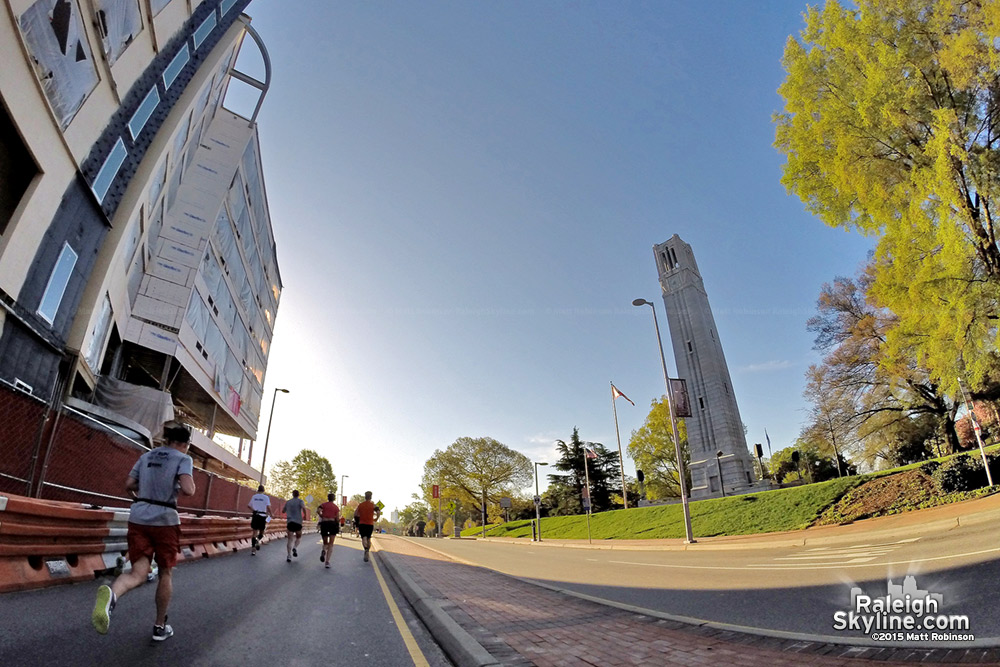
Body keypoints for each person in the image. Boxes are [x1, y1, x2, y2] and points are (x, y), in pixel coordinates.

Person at [91, 420, 196, 641]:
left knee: (137, 574)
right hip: (165, 519)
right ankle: (159, 627)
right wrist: (175, 484)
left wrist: (147, 488)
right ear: (184, 444)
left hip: (138, 517)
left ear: (167, 440)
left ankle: (112, 595)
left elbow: (129, 484)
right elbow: (188, 489)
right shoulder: (183, 458)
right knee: (165, 572)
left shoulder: (146, 456)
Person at [353, 491, 380, 562]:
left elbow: (355, 513)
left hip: (362, 523)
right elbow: (378, 512)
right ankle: (368, 550)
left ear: (365, 497)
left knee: (363, 538)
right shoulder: (373, 505)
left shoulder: (361, 505)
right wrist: (376, 518)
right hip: (370, 524)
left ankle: (366, 549)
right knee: (368, 538)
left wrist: (357, 521)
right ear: (371, 497)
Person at [316, 493, 340, 569]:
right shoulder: (336, 507)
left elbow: (318, 510)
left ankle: (323, 550)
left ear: (328, 498)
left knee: (325, 541)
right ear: (334, 499)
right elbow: (337, 518)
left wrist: (321, 515)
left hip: (325, 523)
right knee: (331, 543)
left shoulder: (323, 505)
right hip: (332, 523)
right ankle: (327, 562)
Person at [283, 490, 306, 563]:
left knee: (290, 539)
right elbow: (304, 508)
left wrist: (287, 510)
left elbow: (283, 511)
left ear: (292, 495)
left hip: (290, 522)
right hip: (298, 522)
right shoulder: (300, 501)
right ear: (298, 495)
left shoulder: (288, 502)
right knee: (299, 537)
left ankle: (289, 556)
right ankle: (295, 547)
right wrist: (304, 515)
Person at [248, 485, 272, 555]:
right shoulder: (266, 497)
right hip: (262, 516)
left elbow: (248, 505)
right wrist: (271, 514)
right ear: (263, 491)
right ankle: (257, 540)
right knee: (261, 532)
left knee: (254, 532)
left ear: (258, 490)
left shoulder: (254, 496)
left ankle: (253, 549)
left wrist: (254, 510)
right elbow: (268, 506)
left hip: (255, 516)